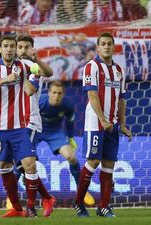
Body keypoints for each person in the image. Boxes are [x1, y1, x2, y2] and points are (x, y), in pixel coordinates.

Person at [0, 35, 55, 218]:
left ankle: (31, 208)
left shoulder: (25, 66)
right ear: (0, 49)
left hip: (19, 127)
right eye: (6, 46)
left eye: (12, 46)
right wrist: (5, 80)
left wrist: (34, 62)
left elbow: (44, 77)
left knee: (29, 165)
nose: (10, 49)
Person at [74, 32, 132, 217]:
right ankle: (78, 203)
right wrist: (103, 120)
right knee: (93, 161)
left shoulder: (119, 71)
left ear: (113, 47)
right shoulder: (92, 67)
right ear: (98, 47)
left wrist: (122, 124)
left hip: (112, 124)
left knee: (109, 165)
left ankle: (104, 206)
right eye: (103, 44)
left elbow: (122, 99)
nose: (106, 46)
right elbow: (92, 95)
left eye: (109, 44)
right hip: (95, 123)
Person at [33, 80, 95, 206]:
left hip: (55, 132)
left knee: (71, 157)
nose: (56, 96)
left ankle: (82, 191)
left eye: (59, 93)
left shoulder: (68, 105)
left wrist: (71, 138)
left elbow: (69, 122)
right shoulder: (39, 102)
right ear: (49, 92)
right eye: (54, 92)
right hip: (36, 130)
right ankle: (11, 198)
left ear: (63, 94)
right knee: (24, 159)